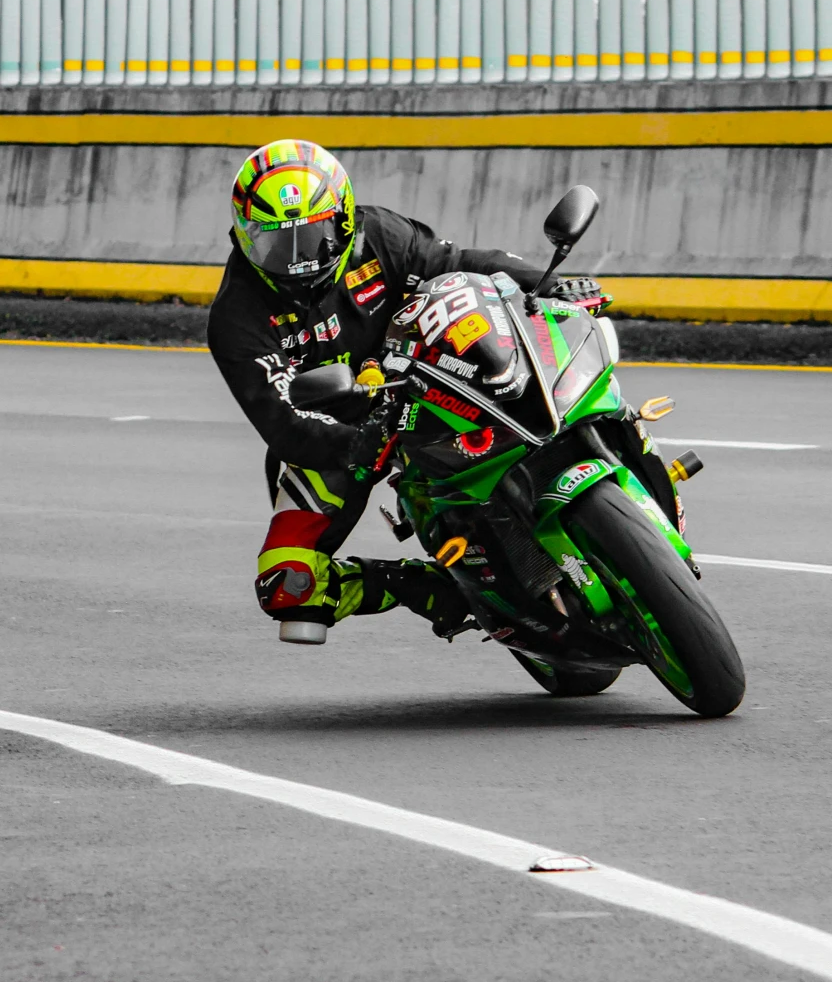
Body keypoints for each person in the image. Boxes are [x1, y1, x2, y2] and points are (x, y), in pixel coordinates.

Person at [206, 138, 604, 644]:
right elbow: (280, 422)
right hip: (338, 433)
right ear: (241, 234)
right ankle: (420, 586)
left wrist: (547, 285)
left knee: (545, 365)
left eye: (315, 238)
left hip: (427, 375)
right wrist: (355, 442)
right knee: (286, 585)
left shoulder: (379, 236)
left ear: (344, 219)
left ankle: (618, 452)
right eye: (273, 243)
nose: (298, 260)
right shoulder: (236, 318)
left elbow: (460, 264)